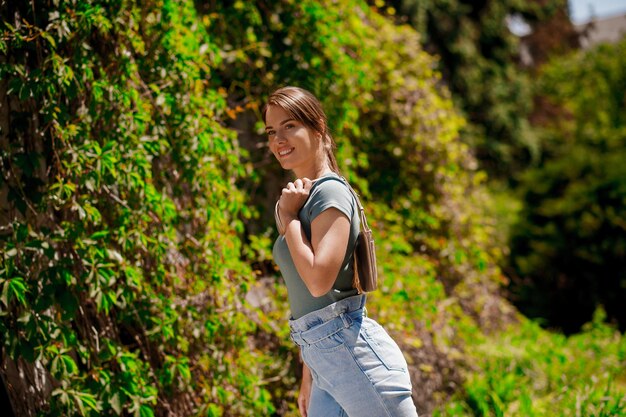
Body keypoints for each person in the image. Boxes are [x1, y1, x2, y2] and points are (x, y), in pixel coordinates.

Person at [263, 86, 419, 417]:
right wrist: (309, 373)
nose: (278, 139)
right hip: (323, 361)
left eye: (290, 125)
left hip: (352, 350)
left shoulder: (328, 192)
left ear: (318, 126)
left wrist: (289, 217)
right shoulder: (297, 199)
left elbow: (319, 283)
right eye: (271, 131)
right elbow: (307, 298)